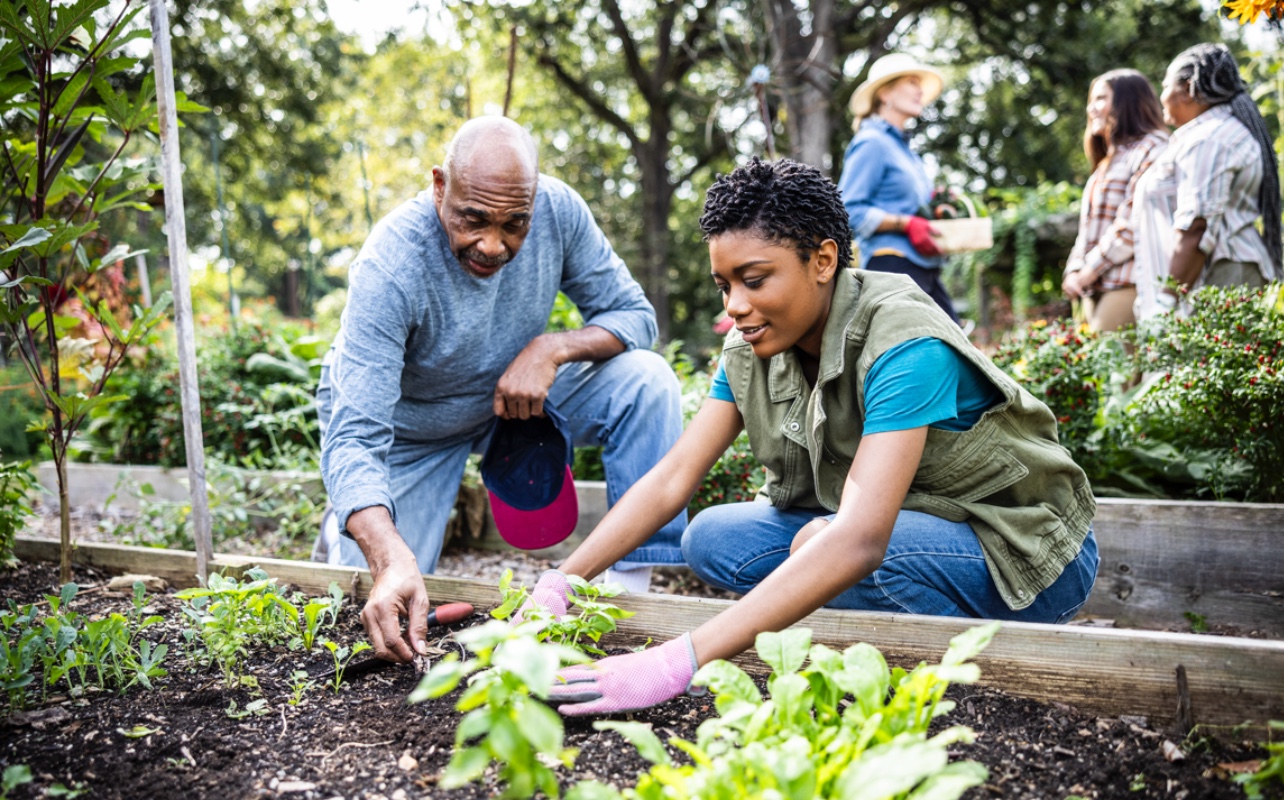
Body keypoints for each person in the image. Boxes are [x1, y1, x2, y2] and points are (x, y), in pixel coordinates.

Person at [522, 158, 1099, 717]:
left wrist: (679, 660)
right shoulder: (752, 347)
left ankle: (967, 670)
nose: (735, 307)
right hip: (907, 527)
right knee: (712, 537)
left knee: (831, 548)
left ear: (823, 260)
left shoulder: (903, 340)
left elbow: (859, 541)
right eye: (724, 285)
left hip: (1022, 553)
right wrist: (562, 580)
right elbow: (674, 478)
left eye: (754, 280)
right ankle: (858, 629)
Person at [316, 117, 686, 663]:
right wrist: (388, 555)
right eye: (474, 219)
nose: (493, 244)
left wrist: (551, 349)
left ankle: (630, 595)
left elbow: (633, 315)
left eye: (516, 223)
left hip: (514, 404)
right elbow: (352, 438)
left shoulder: (559, 210)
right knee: (371, 610)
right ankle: (343, 536)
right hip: (411, 430)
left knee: (647, 380)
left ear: (535, 201)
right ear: (440, 186)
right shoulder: (391, 264)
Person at [1133, 43, 1282, 321]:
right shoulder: (1216, 133)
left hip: (1221, 277)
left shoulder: (1209, 140)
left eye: (1166, 86)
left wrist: (1166, 302)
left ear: (1188, 89)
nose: (1162, 96)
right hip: (1219, 275)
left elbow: (1196, 227)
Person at [837, 53, 958, 322]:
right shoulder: (872, 143)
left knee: (956, 347)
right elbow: (847, 212)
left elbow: (915, 208)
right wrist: (905, 224)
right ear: (884, 94)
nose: (919, 91)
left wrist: (938, 206)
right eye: (912, 82)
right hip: (891, 267)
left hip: (923, 269)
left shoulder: (905, 151)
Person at [1062, 70, 1168, 333]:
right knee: (1095, 369)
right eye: (1091, 100)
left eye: (1100, 99)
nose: (1091, 109)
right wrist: (1074, 270)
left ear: (1128, 102)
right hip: (1094, 284)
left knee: (1112, 372)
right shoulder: (1107, 161)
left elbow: (1132, 222)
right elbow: (1088, 230)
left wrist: (1089, 270)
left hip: (1128, 282)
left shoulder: (1152, 148)